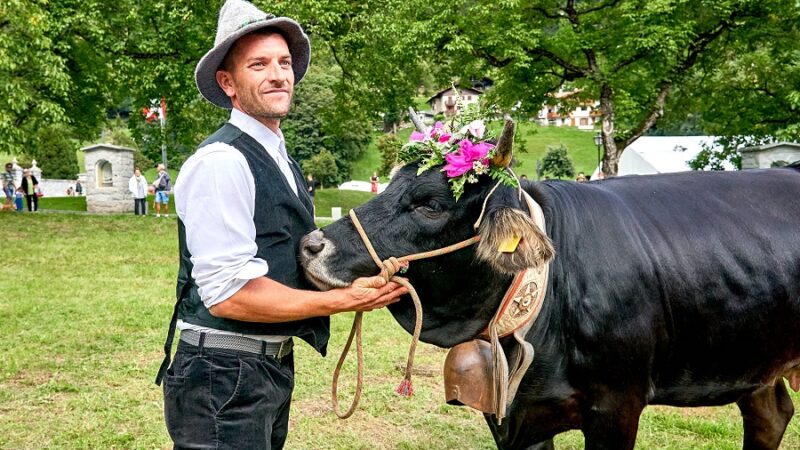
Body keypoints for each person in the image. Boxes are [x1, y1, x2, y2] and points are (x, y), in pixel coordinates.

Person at [156, 2, 408, 449]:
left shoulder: (280, 157)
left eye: (284, 62)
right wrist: (342, 300)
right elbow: (230, 296)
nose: (278, 74)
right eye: (259, 64)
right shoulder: (222, 162)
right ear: (228, 83)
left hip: (263, 367)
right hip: (222, 373)